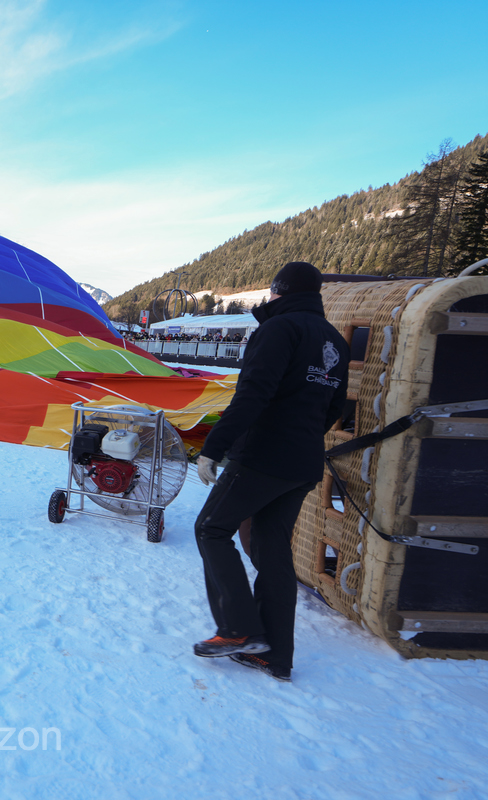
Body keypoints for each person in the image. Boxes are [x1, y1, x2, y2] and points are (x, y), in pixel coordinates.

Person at [192, 261, 349, 683]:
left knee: (211, 528)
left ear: (278, 291)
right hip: (302, 463)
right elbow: (334, 408)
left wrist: (214, 448)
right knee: (271, 550)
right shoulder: (334, 340)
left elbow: (253, 394)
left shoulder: (279, 330)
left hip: (263, 456)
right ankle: (274, 654)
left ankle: (239, 629)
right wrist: (300, 436)